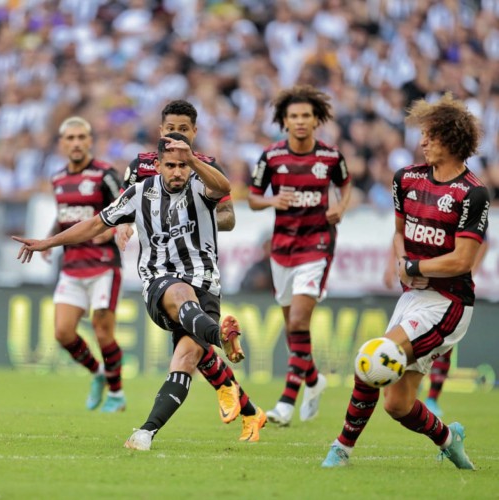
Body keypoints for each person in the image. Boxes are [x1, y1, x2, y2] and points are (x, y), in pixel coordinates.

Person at [14, 133, 266, 449]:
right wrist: (48, 242)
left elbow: (225, 188)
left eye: (182, 166)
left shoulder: (200, 185)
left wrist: (194, 161)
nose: (177, 172)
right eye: (171, 165)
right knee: (179, 293)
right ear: (158, 165)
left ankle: (146, 432)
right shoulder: (139, 193)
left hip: (206, 287)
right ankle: (220, 338)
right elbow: (94, 225)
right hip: (161, 283)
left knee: (186, 359)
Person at [322, 93, 489, 470]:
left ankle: (342, 449)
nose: (422, 142)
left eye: (430, 135)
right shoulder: (407, 179)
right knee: (397, 405)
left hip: (449, 304)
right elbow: (399, 231)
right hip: (413, 300)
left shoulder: (472, 193)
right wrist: (400, 258)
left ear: (451, 139)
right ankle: (450, 439)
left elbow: (463, 260)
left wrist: (413, 267)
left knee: (372, 358)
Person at [116, 99, 248, 423]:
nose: (177, 135)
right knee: (191, 343)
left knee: (189, 348)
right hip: (161, 269)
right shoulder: (140, 166)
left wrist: (195, 213)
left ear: (194, 132)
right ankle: (237, 396)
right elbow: (123, 209)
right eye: (171, 129)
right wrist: (125, 225)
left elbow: (229, 216)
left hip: (197, 267)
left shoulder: (204, 166)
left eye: (184, 130)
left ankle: (242, 403)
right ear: (161, 131)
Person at [247, 84, 352, 426]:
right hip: (282, 249)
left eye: (306, 115)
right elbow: (252, 197)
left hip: (317, 245)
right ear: (284, 121)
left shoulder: (331, 157)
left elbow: (346, 184)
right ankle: (313, 379)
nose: (301, 121)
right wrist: (272, 201)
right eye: (294, 116)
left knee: (297, 323)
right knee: (294, 329)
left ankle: (286, 403)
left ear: (316, 119)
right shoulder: (272, 157)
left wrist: (340, 205)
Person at [43, 116, 126, 412]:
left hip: (104, 265)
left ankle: (117, 394)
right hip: (72, 266)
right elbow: (65, 213)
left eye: (82, 137)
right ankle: (98, 373)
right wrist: (50, 237)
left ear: (90, 141)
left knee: (103, 333)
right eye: (71, 138)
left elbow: (125, 207)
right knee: (63, 333)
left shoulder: (106, 174)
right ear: (62, 143)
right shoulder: (57, 179)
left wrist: (114, 229)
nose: (76, 143)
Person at [383, 237, 489, 418]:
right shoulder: (416, 215)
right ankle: (414, 385)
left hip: (448, 292)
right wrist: (393, 264)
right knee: (395, 349)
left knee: (443, 344)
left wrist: (469, 269)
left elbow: (481, 241)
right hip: (415, 291)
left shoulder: (461, 213)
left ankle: (432, 397)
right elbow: (400, 232)